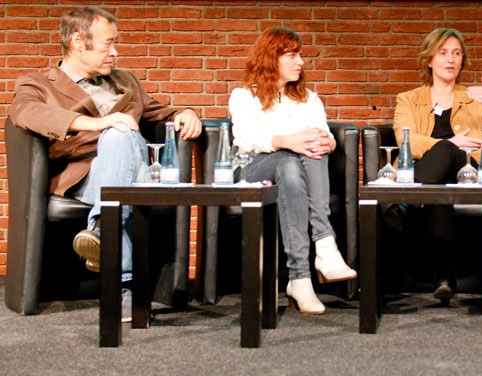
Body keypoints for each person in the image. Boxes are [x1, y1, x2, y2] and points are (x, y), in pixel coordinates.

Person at [9, 6, 202, 322]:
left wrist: (187, 113)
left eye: (116, 43)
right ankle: (122, 277)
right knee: (117, 137)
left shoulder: (125, 81)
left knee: (120, 136)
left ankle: (102, 230)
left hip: (133, 164)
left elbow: (162, 112)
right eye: (107, 44)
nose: (115, 52)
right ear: (77, 41)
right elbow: (25, 113)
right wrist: (93, 123)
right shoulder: (39, 83)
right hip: (83, 177)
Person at [228, 26, 357, 315]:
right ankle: (319, 251)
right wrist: (289, 141)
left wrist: (328, 141)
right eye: (293, 55)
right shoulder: (243, 96)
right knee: (291, 155)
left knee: (309, 151)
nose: (301, 62)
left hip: (292, 173)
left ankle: (307, 270)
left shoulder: (308, 98)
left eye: (301, 56)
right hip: (252, 171)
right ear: (272, 57)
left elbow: (322, 134)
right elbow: (246, 139)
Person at [392, 28, 482, 302]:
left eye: (456, 53)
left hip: (467, 171)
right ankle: (444, 278)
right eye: (443, 53)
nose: (451, 59)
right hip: (431, 175)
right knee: (442, 189)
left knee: (449, 155)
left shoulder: (475, 96)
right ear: (429, 60)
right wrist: (448, 143)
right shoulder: (408, 98)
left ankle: (403, 206)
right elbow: (407, 141)